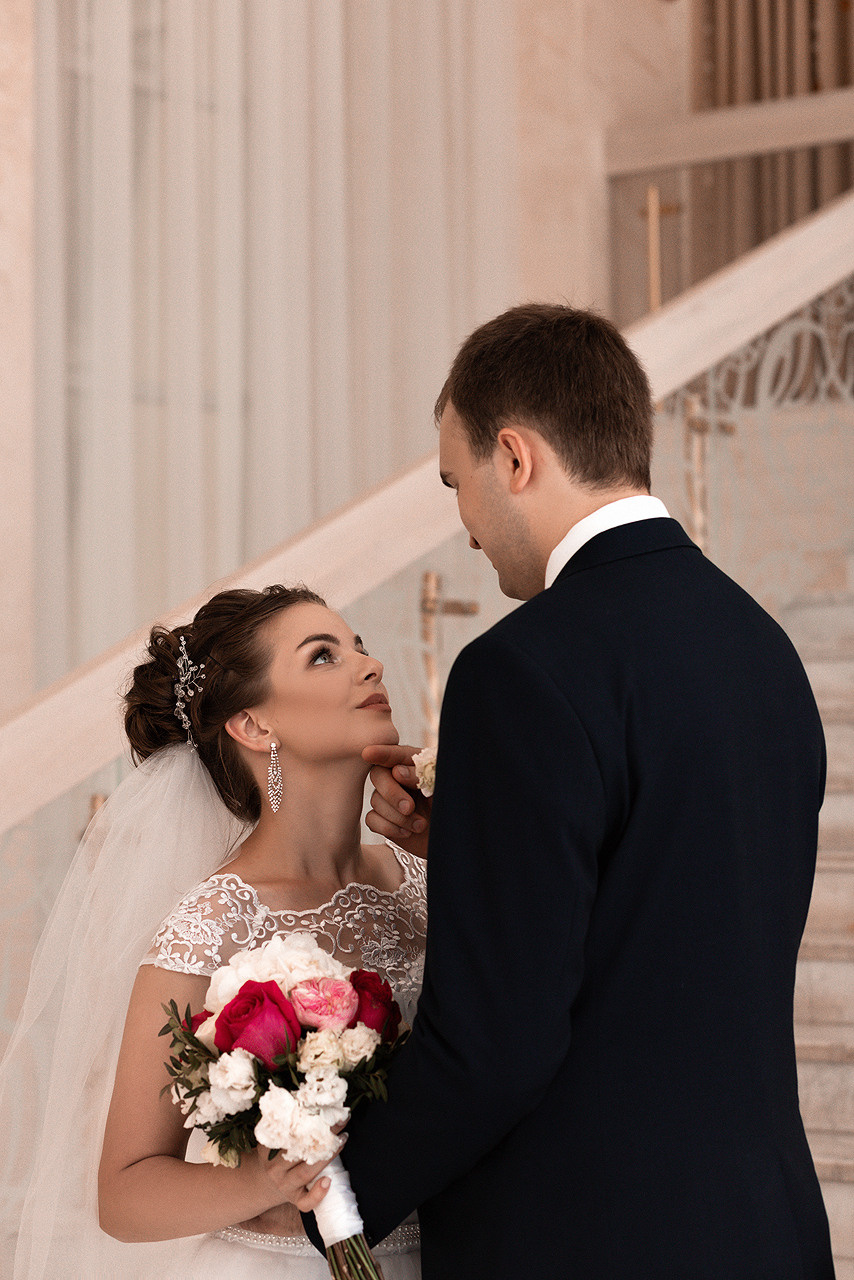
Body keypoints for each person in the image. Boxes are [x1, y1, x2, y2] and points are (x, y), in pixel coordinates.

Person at [306, 304, 835, 1278]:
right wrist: (465, 843)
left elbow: (494, 1042)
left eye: (453, 482)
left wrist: (331, 1199)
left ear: (514, 456)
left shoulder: (520, 669)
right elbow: (671, 909)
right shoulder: (760, 648)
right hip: (763, 1230)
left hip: (583, 1238)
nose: (461, 524)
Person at [1, 584, 425, 1279]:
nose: (369, 666)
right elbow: (125, 1192)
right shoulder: (214, 921)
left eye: (360, 648)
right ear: (254, 726)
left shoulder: (425, 876)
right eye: (323, 657)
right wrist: (262, 1181)